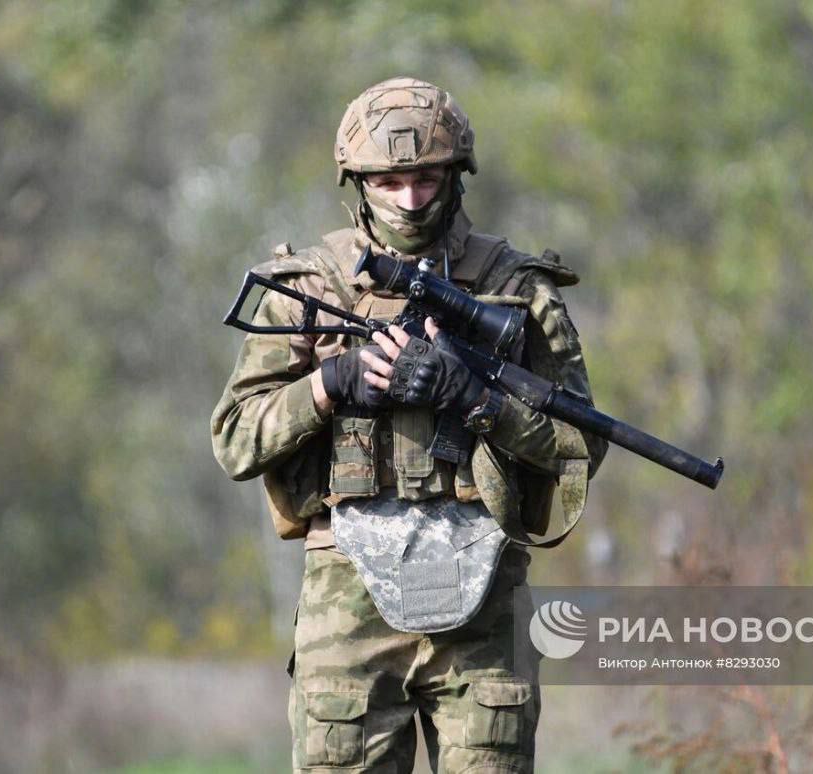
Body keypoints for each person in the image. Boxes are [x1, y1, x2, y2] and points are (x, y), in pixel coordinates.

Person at [212, 76, 606, 773]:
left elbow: (581, 445)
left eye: (425, 177)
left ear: (455, 175)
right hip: (347, 597)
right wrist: (332, 383)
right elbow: (236, 438)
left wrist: (475, 399)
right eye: (389, 180)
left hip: (485, 594)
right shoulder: (307, 290)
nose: (410, 199)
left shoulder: (515, 289)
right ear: (356, 180)